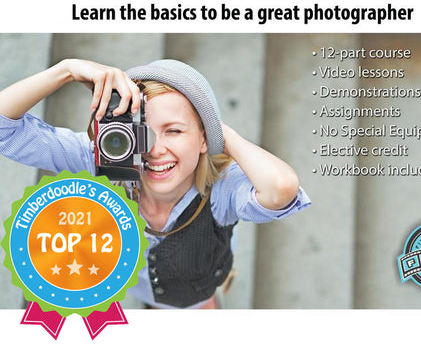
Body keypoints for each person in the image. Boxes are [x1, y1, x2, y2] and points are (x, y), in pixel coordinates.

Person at [0, 58, 311, 309]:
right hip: (136, 284)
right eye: (141, 130)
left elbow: (281, 189)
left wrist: (213, 127)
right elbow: (5, 129)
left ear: (204, 137)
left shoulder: (220, 191)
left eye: (174, 131)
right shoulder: (105, 160)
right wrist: (65, 70)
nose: (155, 148)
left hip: (195, 294)